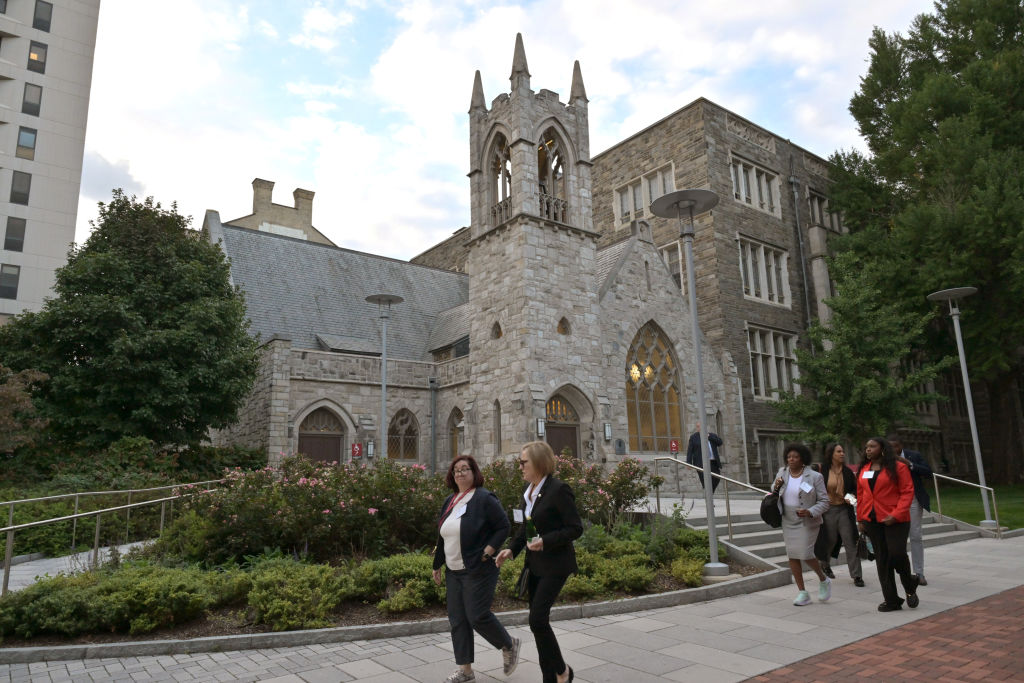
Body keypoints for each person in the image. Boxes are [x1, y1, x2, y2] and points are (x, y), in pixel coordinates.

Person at [495, 441, 583, 683]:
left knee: (537, 619)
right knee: (538, 624)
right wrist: (511, 550)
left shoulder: (558, 489)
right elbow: (526, 528)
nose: (520, 467)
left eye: (524, 462)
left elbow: (575, 528)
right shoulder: (530, 491)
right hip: (534, 566)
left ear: (539, 462)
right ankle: (551, 678)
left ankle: (563, 671)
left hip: (556, 565)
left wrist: (546, 540)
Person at [432, 455, 520, 683]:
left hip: (477, 568)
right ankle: (466, 670)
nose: (460, 473)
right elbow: (443, 537)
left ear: (474, 472)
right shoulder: (450, 500)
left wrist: (488, 551)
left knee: (477, 615)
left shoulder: (483, 498)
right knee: (458, 620)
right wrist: (437, 565)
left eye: (465, 469)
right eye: (456, 470)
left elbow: (503, 526)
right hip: (453, 570)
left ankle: (508, 644)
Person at [856, 437, 920, 612]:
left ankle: (909, 582)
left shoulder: (899, 467)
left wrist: (896, 514)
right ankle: (891, 600)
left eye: (872, 446)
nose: (868, 449)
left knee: (896, 552)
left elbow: (907, 492)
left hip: (896, 519)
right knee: (882, 560)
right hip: (872, 520)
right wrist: (860, 518)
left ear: (882, 448)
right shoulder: (864, 469)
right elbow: (861, 495)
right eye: (866, 446)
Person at [773, 443, 831, 606]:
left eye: (795, 457)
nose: (791, 459)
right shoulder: (782, 473)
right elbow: (774, 491)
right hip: (788, 518)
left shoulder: (814, 477)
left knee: (805, 553)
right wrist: (776, 486)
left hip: (807, 519)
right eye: (789, 456)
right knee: (792, 555)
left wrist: (810, 511)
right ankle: (802, 592)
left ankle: (823, 579)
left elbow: (825, 502)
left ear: (803, 459)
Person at [815, 444, 864, 587]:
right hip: (827, 510)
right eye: (839, 451)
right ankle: (824, 564)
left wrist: (851, 498)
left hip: (844, 510)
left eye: (843, 451)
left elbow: (854, 491)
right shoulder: (822, 471)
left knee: (850, 541)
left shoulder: (848, 472)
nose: (842, 453)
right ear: (831, 454)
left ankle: (857, 576)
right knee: (829, 540)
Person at [889, 435, 932, 585]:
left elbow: (928, 472)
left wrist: (910, 464)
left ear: (900, 445)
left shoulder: (913, 456)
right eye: (890, 447)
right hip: (894, 502)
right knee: (897, 538)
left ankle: (919, 572)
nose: (893, 450)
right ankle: (901, 571)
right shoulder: (885, 461)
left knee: (915, 535)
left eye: (895, 446)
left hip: (913, 499)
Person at [686, 421, 724, 493]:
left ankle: (709, 495)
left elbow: (720, 442)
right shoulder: (693, 437)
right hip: (700, 463)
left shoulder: (712, 435)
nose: (698, 428)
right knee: (705, 482)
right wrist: (688, 462)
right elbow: (690, 451)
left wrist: (709, 437)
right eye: (697, 426)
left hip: (713, 462)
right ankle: (709, 499)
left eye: (700, 426)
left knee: (717, 478)